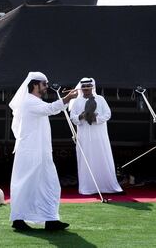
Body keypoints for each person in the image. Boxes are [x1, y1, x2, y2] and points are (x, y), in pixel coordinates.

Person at [8, 71, 78, 232]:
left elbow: (51, 108)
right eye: (44, 84)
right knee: (28, 185)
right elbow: (51, 109)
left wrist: (66, 100)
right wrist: (67, 99)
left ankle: (50, 219)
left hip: (39, 152)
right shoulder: (29, 102)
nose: (46, 87)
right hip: (31, 153)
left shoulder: (34, 102)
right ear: (35, 84)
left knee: (48, 185)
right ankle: (19, 219)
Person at [69, 77, 123, 195]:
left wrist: (96, 119)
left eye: (88, 88)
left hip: (99, 136)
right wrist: (81, 117)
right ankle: (88, 188)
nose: (86, 90)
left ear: (92, 88)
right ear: (81, 89)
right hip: (84, 137)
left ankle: (107, 186)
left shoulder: (100, 99)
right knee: (86, 160)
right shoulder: (76, 101)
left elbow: (108, 114)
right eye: (84, 88)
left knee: (102, 158)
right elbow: (72, 117)